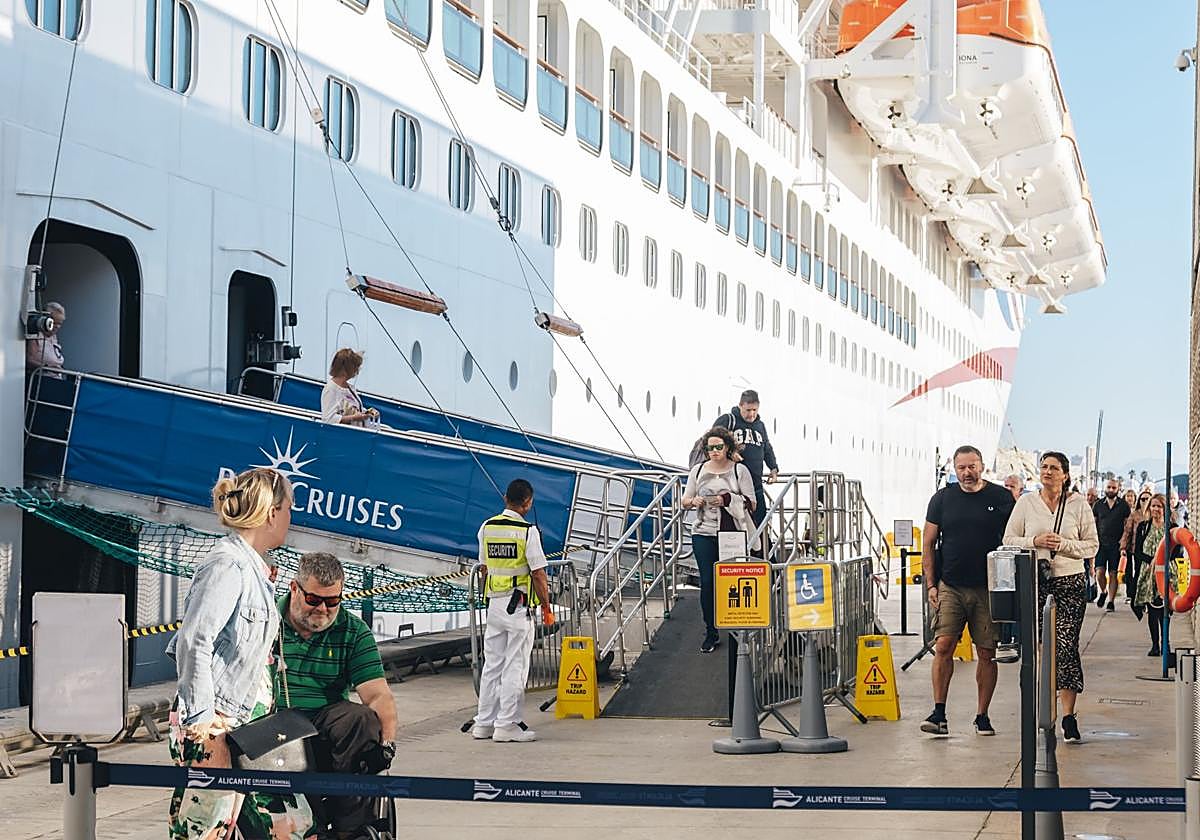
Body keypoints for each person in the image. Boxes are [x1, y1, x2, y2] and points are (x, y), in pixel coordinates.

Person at [166, 468, 313, 839]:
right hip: (217, 723)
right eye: (289, 510)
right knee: (206, 829)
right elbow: (194, 639)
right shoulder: (228, 565)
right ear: (271, 513)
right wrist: (203, 723)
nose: (291, 520)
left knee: (280, 826)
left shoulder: (254, 569)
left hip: (246, 724)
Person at [276, 552, 398, 838]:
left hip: (325, 715)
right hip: (278, 718)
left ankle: (352, 831)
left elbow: (378, 695)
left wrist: (387, 745)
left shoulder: (353, 630)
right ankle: (309, 828)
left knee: (362, 719)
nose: (323, 609)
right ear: (295, 588)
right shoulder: (265, 621)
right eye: (314, 600)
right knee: (286, 735)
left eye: (333, 601)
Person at [920, 445, 1015, 737]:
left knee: (986, 652)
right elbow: (928, 542)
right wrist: (931, 584)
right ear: (955, 469)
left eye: (972, 466)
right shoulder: (943, 499)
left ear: (982, 466)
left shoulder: (1000, 497)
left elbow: (1014, 537)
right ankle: (938, 713)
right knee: (944, 645)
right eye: (961, 467)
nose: (967, 472)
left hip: (988, 589)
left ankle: (982, 715)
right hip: (951, 585)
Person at [1004, 451, 1099, 744]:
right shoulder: (1026, 502)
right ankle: (1045, 710)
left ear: (1065, 474)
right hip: (1037, 580)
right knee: (1042, 648)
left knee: (1066, 645)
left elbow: (1092, 545)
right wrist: (1035, 542)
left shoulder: (1078, 504)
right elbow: (1008, 539)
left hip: (1070, 581)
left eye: (1053, 467)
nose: (1047, 471)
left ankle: (1068, 715)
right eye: (1044, 467)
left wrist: (1064, 544)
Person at [472, 479, 554, 743]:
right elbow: (539, 574)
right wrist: (546, 607)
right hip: (518, 608)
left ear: (506, 497)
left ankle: (483, 723)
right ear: (528, 502)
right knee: (515, 666)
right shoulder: (528, 532)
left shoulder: (487, 528)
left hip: (494, 605)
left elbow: (483, 568)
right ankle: (506, 724)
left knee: (492, 664)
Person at [682, 426, 757, 653]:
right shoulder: (698, 471)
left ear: (727, 447)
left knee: (732, 581)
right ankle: (711, 631)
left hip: (732, 533)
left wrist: (726, 499)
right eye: (710, 447)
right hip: (703, 532)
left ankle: (737, 628)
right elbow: (684, 500)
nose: (714, 451)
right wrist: (694, 501)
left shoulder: (739, 471)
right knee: (708, 581)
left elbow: (751, 503)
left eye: (718, 447)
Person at [709, 390, 779, 537]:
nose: (751, 414)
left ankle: (765, 557)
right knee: (736, 526)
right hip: (733, 485)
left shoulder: (760, 426)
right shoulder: (728, 420)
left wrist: (773, 468)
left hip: (756, 485)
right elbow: (711, 441)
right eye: (748, 410)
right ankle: (739, 556)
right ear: (740, 405)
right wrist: (729, 453)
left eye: (754, 410)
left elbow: (766, 447)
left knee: (760, 525)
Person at [1131, 494, 1171, 656]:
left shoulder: (1171, 527)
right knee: (1152, 610)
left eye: (1159, 506)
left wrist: (1160, 560)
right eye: (1153, 506)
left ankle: (1165, 643)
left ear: (1165, 508)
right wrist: (1151, 561)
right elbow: (1138, 551)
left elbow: (1178, 551)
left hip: (1166, 572)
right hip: (1147, 573)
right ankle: (1155, 644)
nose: (1155, 509)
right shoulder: (1143, 527)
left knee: (1164, 610)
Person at [1091, 478, 1131, 612]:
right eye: (1109, 487)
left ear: (1118, 489)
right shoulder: (1098, 505)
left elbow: (1127, 526)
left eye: (1114, 488)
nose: (1111, 490)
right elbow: (1093, 524)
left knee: (1113, 573)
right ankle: (1103, 591)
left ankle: (1111, 601)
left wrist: (1124, 543)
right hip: (1101, 544)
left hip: (1116, 544)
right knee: (1100, 572)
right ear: (1105, 488)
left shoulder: (1124, 505)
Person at [322, 348, 379, 426]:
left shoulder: (350, 388)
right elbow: (328, 419)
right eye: (355, 368)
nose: (357, 372)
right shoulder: (331, 389)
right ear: (346, 369)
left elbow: (355, 409)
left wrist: (367, 413)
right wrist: (353, 418)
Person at [1121, 490, 1151, 600]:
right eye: (1143, 499)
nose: (1145, 501)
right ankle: (1132, 594)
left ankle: (1144, 595)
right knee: (1135, 571)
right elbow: (1127, 531)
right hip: (1135, 548)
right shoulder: (1134, 514)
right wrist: (1123, 547)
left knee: (1146, 573)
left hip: (1150, 549)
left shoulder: (1153, 514)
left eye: (1147, 499)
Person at [25, 301, 66, 372]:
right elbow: (29, 360)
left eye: (60, 323)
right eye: (55, 323)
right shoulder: (36, 334)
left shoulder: (53, 336)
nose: (57, 327)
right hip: (43, 377)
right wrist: (48, 368)